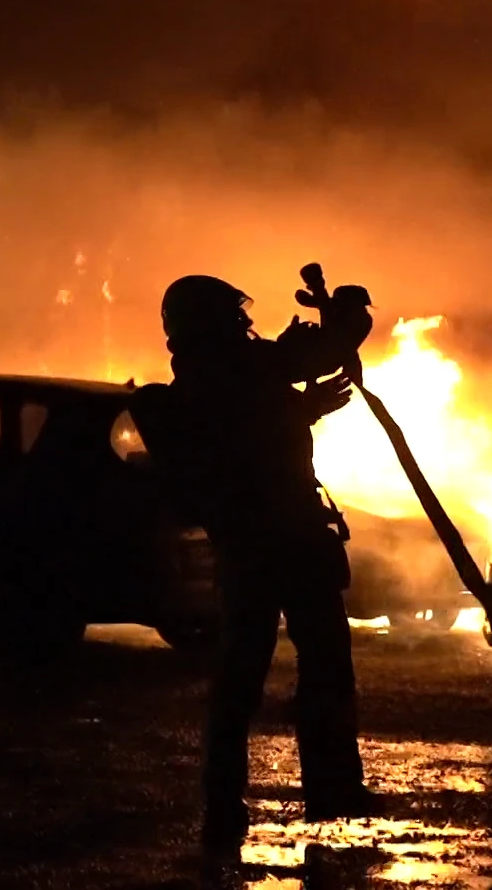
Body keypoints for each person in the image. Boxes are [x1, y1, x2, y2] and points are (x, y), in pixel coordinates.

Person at [129, 271, 382, 855]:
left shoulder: (208, 376)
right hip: (282, 540)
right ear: (210, 322)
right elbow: (315, 354)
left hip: (251, 545)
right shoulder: (229, 368)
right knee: (318, 665)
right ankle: (329, 786)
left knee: (247, 672)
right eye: (234, 316)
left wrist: (306, 408)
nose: (245, 324)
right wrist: (347, 318)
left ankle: (230, 795)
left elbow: (262, 422)